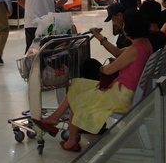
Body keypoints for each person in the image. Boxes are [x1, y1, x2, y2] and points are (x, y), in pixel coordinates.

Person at [34, 10, 153, 152]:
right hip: (127, 92)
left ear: (129, 29)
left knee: (78, 96)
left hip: (120, 97)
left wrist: (103, 68)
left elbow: (109, 70)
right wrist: (99, 37)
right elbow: (119, 54)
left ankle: (71, 141)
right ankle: (55, 118)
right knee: (77, 84)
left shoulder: (134, 49)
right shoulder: (145, 45)